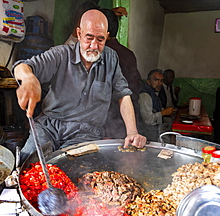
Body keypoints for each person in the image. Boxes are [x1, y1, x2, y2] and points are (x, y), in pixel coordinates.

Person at [13, 9, 146, 161]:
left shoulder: (111, 58)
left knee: (71, 170)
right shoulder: (61, 54)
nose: (94, 46)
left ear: (107, 36)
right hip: (49, 127)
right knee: (27, 164)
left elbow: (123, 95)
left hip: (85, 132)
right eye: (89, 38)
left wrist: (132, 132)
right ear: (79, 33)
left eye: (100, 39)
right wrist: (29, 78)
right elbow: (22, 66)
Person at [101, 8, 142, 139]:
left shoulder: (102, 54)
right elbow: (134, 90)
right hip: (127, 121)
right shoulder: (129, 55)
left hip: (108, 124)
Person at [138, 69, 175, 142]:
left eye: (161, 80)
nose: (160, 83)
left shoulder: (154, 94)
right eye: (156, 80)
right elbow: (148, 120)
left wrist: (167, 112)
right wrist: (163, 113)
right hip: (147, 136)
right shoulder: (145, 96)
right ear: (148, 82)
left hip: (154, 132)